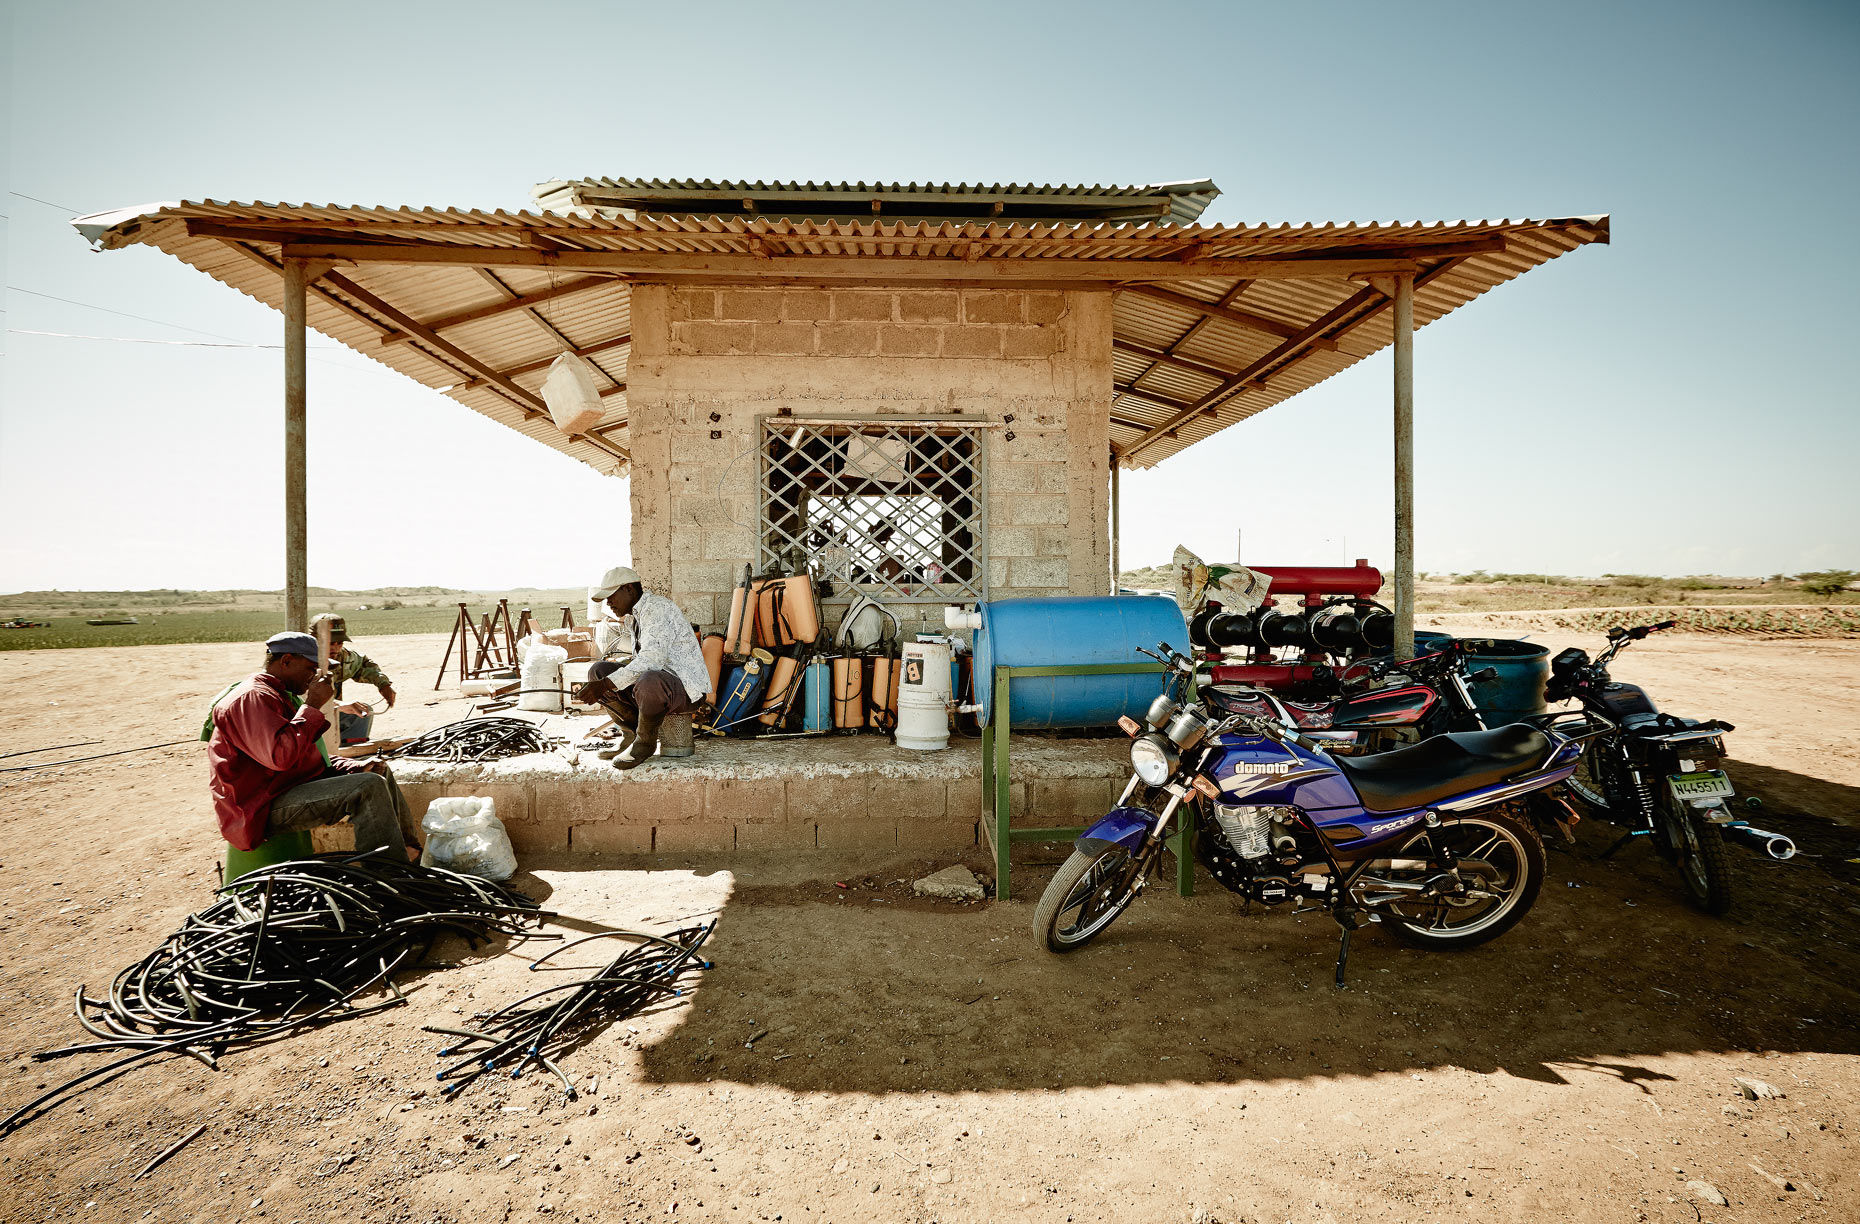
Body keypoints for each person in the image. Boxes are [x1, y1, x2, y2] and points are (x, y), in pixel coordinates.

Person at [202, 631, 420, 858]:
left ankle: (410, 854)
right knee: (367, 787)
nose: (315, 677)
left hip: (284, 788)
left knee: (380, 773)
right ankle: (388, 872)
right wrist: (313, 705)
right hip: (259, 807)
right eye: (311, 669)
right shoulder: (252, 698)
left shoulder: (280, 695)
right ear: (286, 661)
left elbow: (307, 758)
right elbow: (281, 757)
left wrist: (353, 766)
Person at [579, 566, 710, 770]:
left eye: (611, 596)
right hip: (661, 684)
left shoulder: (657, 608)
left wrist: (605, 685)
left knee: (648, 680)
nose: (608, 603)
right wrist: (604, 680)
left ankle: (645, 742)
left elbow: (651, 661)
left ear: (629, 589)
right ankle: (630, 735)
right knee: (599, 671)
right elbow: (642, 661)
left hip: (686, 690)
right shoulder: (634, 617)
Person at [309, 613, 397, 744]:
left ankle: (349, 750)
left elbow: (364, 664)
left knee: (362, 712)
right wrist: (338, 704)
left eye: (339, 643)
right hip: (302, 719)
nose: (335, 647)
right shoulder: (301, 662)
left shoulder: (343, 657)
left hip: (331, 714)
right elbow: (301, 701)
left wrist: (383, 685)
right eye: (330, 642)